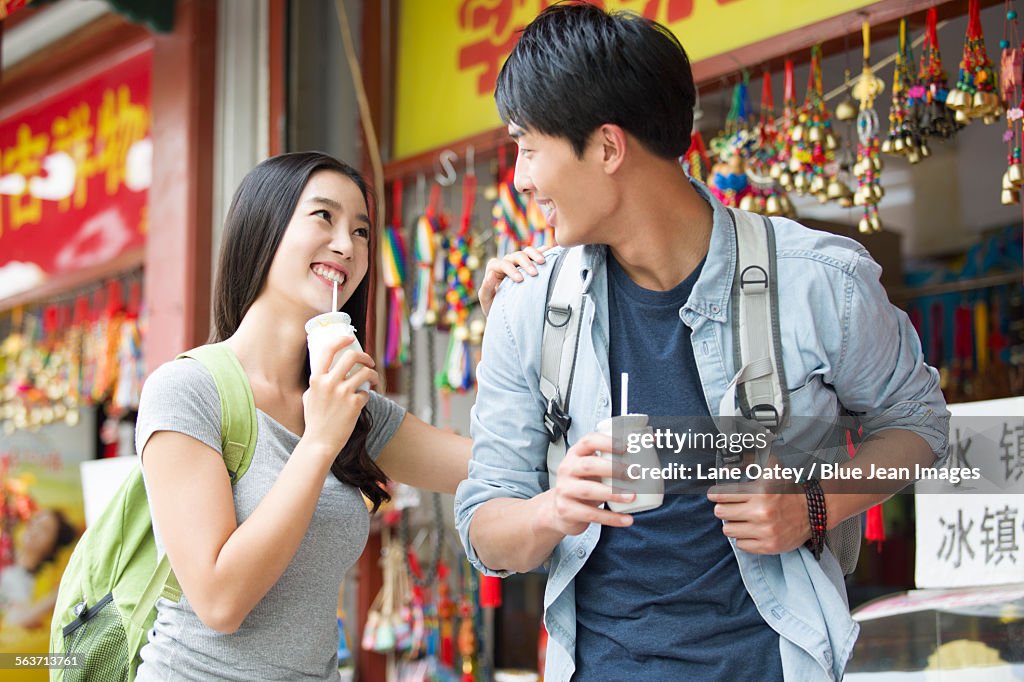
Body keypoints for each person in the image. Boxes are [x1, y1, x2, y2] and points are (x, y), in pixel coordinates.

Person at [455, 4, 950, 681]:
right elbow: (485, 525)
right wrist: (551, 510)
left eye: (529, 147)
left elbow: (920, 424)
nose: (521, 178)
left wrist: (813, 506)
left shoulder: (816, 281)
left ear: (606, 147)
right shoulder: (525, 310)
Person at [136, 152, 473, 681]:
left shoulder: (351, 405)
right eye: (324, 217)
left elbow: (490, 466)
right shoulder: (186, 390)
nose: (348, 245)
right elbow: (220, 602)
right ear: (263, 227)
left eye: (361, 231)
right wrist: (319, 442)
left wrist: (510, 325)